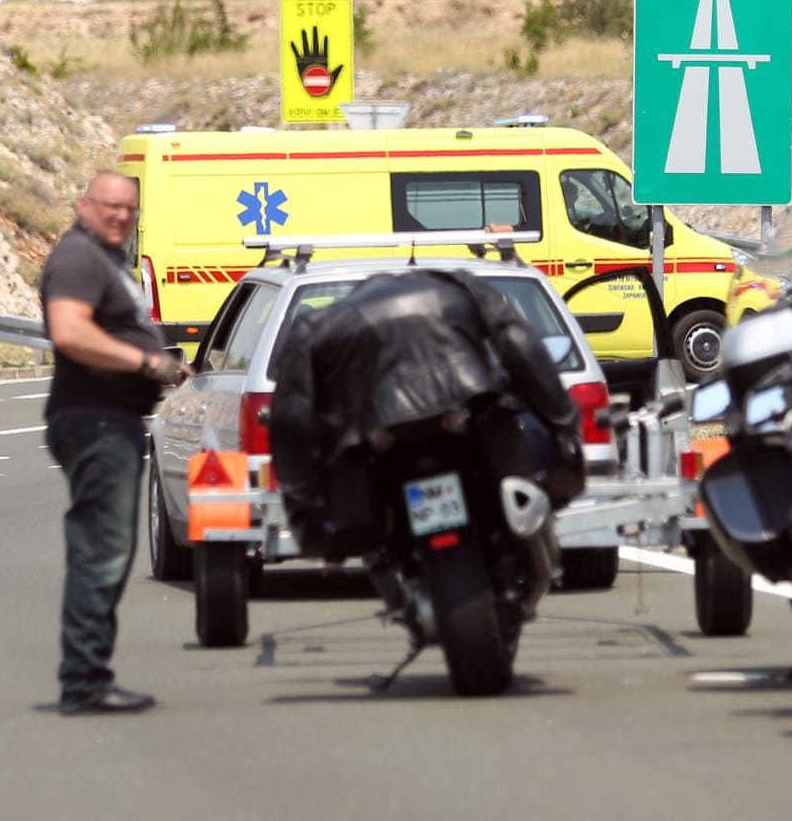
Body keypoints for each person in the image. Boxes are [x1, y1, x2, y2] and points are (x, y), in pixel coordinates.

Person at [267, 269, 584, 561]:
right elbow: (520, 346)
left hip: (393, 434)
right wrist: (564, 421)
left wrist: (300, 490)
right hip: (464, 406)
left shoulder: (318, 326)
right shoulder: (462, 289)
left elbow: (291, 414)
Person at [40, 170, 193, 716]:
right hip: (96, 420)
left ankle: (87, 675)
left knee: (107, 549)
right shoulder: (79, 257)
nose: (121, 216)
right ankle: (84, 681)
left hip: (111, 419)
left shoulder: (104, 259)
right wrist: (147, 362)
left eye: (130, 208)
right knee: (100, 552)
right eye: (110, 205)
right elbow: (70, 331)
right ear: (84, 204)